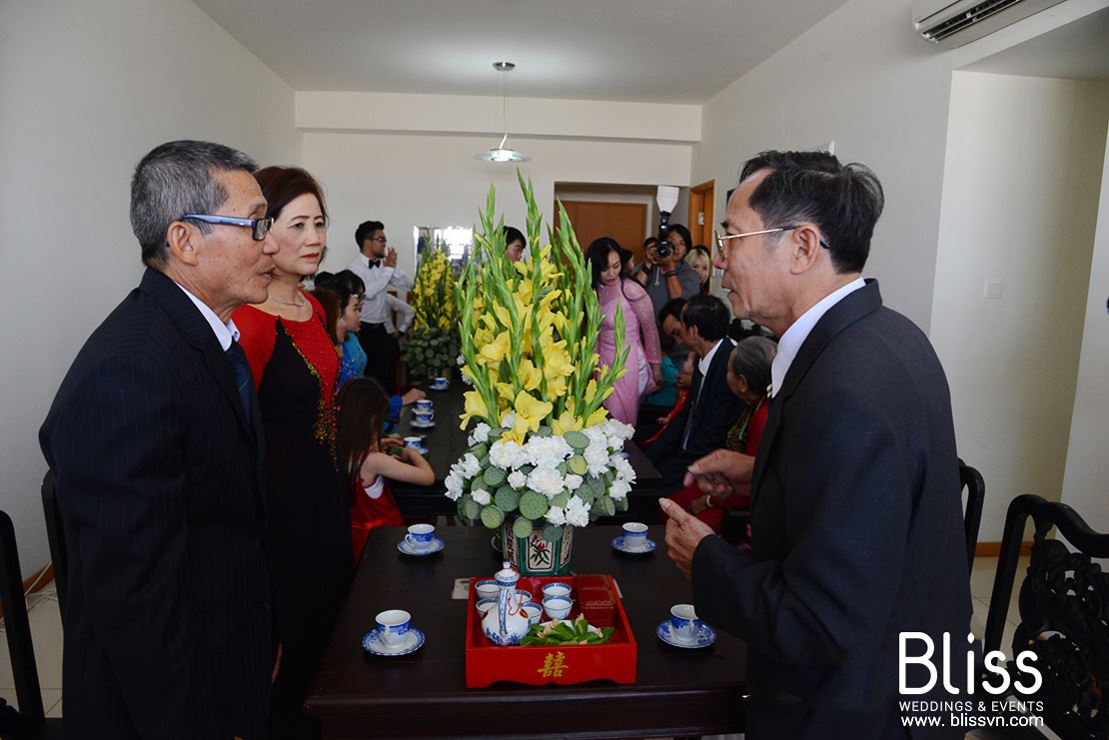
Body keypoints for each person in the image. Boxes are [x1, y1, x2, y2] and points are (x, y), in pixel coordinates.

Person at [660, 150, 971, 739]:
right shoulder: (889, 335)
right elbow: (871, 506)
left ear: (802, 247)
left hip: (859, 710)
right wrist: (767, 472)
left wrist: (707, 562)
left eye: (732, 237)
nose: (720, 262)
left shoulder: (846, 387)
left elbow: (820, 623)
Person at [39, 140, 278, 738]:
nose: (270, 242)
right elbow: (135, 603)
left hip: (226, 652)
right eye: (256, 225)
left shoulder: (199, 333)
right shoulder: (132, 371)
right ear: (185, 241)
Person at [232, 166, 352, 740]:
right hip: (280, 515)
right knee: (289, 651)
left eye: (320, 223)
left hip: (326, 497)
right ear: (264, 232)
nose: (314, 238)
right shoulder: (250, 323)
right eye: (297, 223)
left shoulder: (316, 308)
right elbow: (235, 441)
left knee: (330, 636)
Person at [662, 336, 775, 532]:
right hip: (725, 486)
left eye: (728, 371)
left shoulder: (762, 418)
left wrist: (707, 500)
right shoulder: (754, 405)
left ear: (742, 382)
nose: (725, 375)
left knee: (675, 516)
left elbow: (754, 482)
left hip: (735, 503)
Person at [336, 378, 435, 564]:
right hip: (382, 540)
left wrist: (376, 446)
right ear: (372, 421)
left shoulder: (340, 450)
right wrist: (411, 453)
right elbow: (427, 477)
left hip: (353, 539)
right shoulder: (374, 461)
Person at [644, 294, 739, 488]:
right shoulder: (704, 357)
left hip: (705, 468)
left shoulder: (729, 366)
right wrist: (651, 458)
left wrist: (673, 470)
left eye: (681, 330)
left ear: (694, 331)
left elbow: (713, 436)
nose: (678, 341)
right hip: (684, 453)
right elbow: (686, 415)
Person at [585, 237, 663, 426]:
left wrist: (656, 366)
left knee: (618, 419)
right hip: (601, 359)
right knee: (598, 416)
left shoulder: (631, 289)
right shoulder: (593, 291)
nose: (612, 273)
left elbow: (650, 329)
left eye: (616, 266)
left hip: (626, 361)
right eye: (605, 269)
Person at [347, 220, 409, 392]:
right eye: (381, 239)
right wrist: (388, 270)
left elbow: (408, 285)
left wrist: (392, 267)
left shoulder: (384, 265)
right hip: (362, 331)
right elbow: (370, 291)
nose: (385, 244)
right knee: (369, 381)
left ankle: (390, 414)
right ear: (367, 242)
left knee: (385, 378)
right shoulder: (354, 267)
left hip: (382, 330)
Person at [644, 223, 701, 317]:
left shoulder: (691, 274)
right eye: (671, 241)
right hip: (645, 327)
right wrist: (648, 261)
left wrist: (670, 266)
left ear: (687, 250)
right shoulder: (652, 265)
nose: (676, 247)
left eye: (682, 243)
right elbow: (633, 291)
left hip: (673, 329)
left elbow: (679, 304)